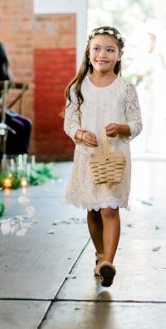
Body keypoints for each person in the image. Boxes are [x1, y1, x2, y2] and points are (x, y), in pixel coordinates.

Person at [63, 26, 142, 287]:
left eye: (110, 50)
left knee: (109, 208)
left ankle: (108, 262)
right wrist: (80, 134)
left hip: (116, 157)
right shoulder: (78, 87)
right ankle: (99, 255)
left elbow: (137, 124)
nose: (102, 54)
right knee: (94, 210)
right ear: (89, 52)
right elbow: (70, 123)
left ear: (119, 55)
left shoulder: (125, 88)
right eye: (97, 49)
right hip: (88, 158)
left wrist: (121, 128)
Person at [0, 40, 32, 155]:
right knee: (18, 126)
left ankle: (21, 158)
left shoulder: (2, 73)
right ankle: (10, 157)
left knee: (27, 123)